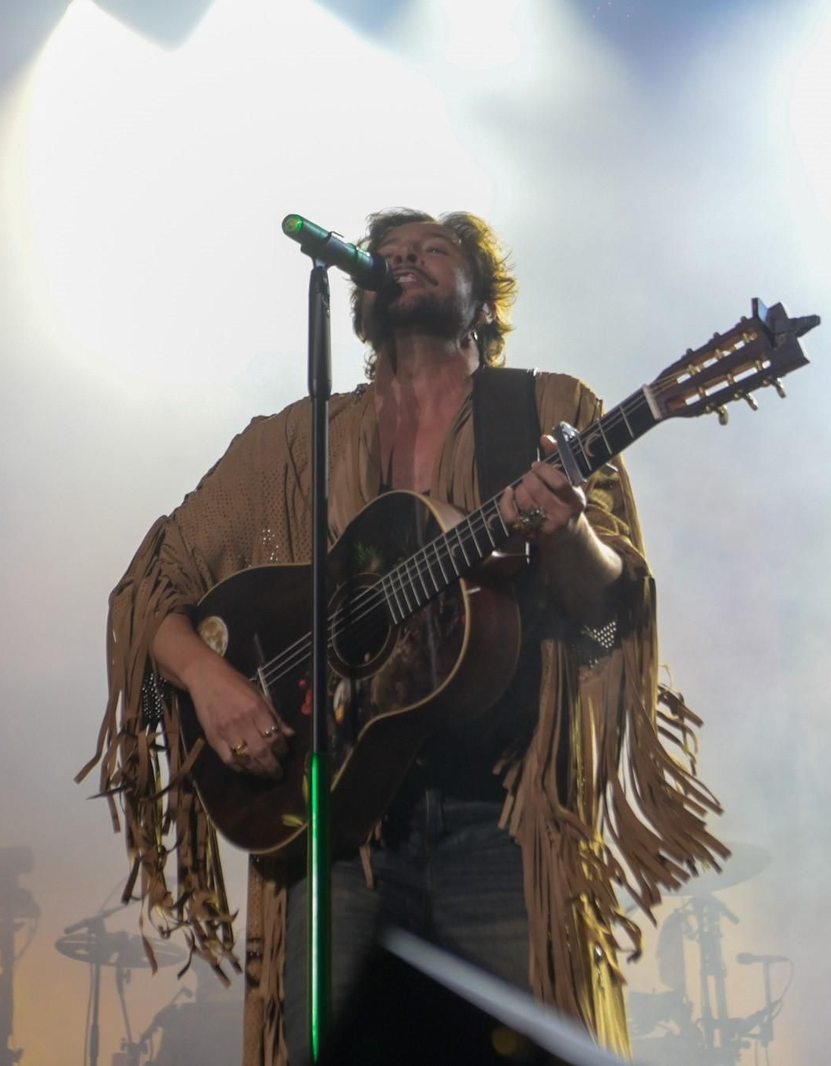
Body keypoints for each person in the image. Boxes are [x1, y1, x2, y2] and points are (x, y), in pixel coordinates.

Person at [83, 209, 725, 1066]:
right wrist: (210, 679)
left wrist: (568, 535)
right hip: (335, 828)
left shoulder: (548, 410)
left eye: (434, 249)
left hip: (498, 823)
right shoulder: (293, 445)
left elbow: (610, 627)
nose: (405, 260)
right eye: (389, 254)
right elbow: (147, 587)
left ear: (484, 300)